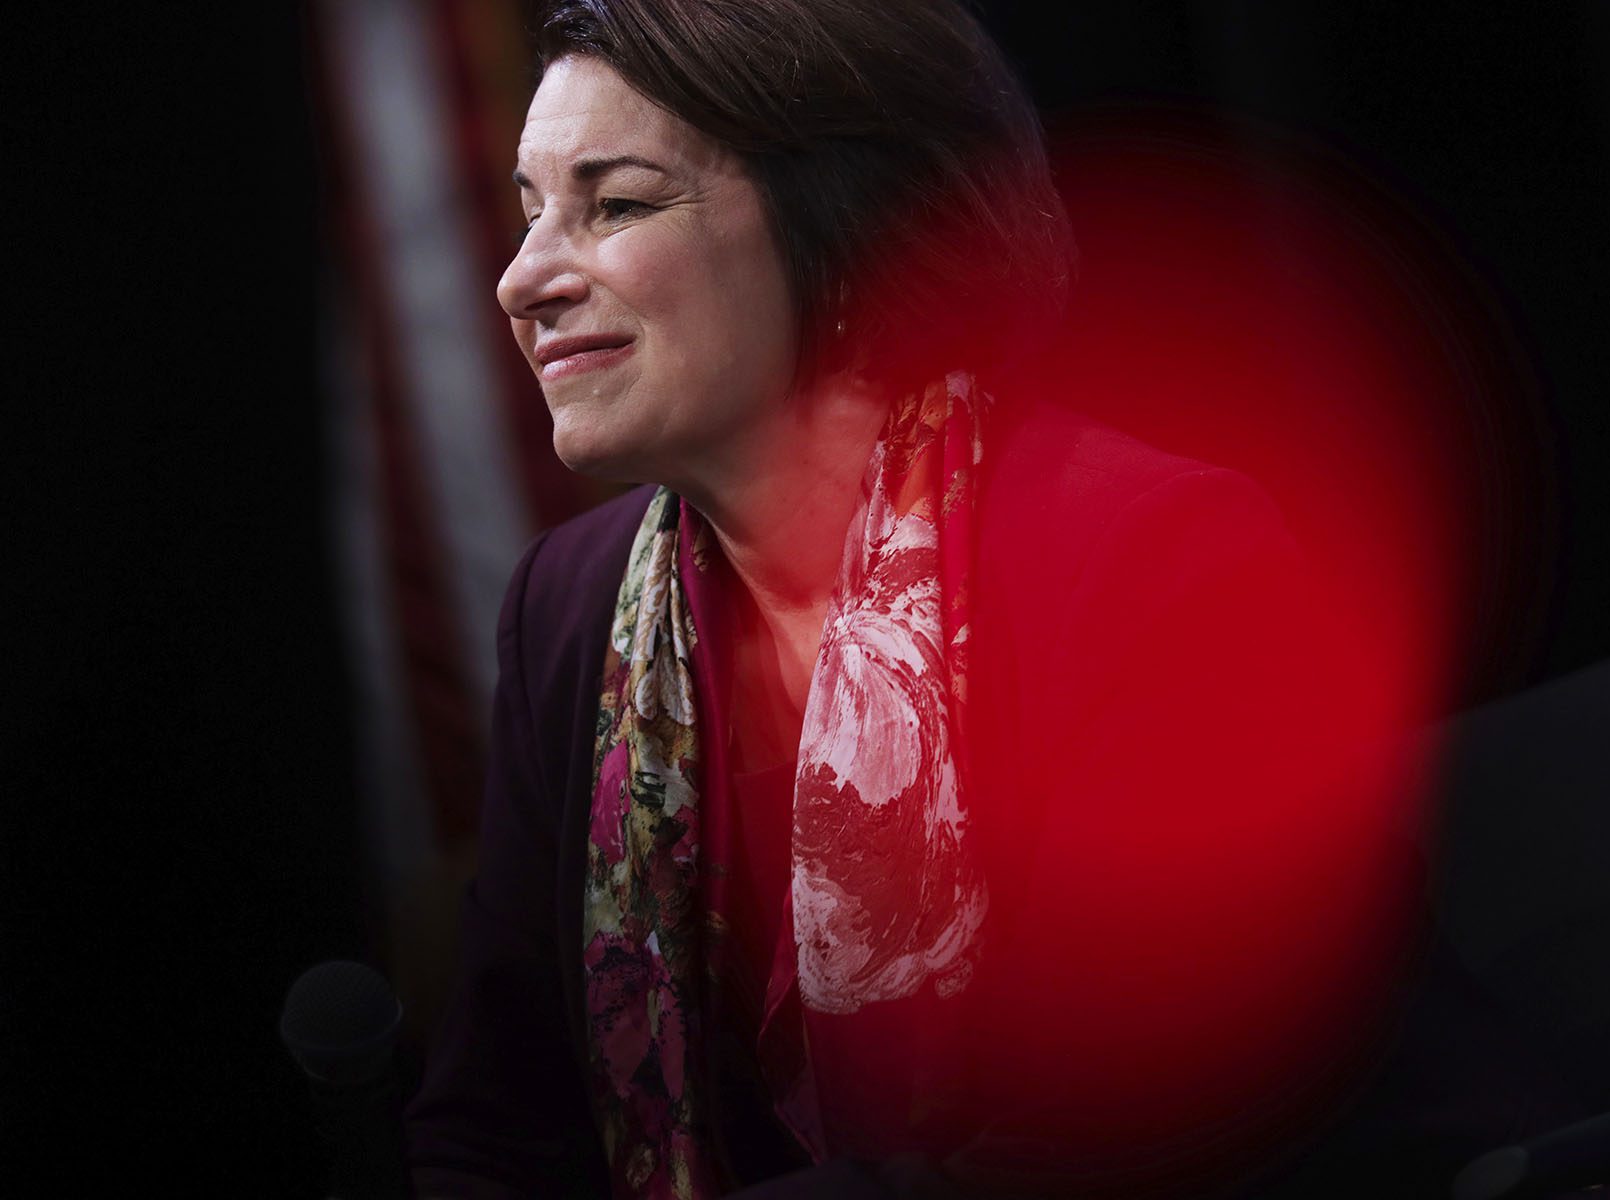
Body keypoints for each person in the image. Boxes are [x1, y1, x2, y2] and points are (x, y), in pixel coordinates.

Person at [403, 2, 1423, 1196]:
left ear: (851, 228)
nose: (522, 282)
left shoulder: (1156, 558)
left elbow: (1136, 1138)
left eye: (615, 204)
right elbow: (494, 1129)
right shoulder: (566, 612)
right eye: (528, 217)